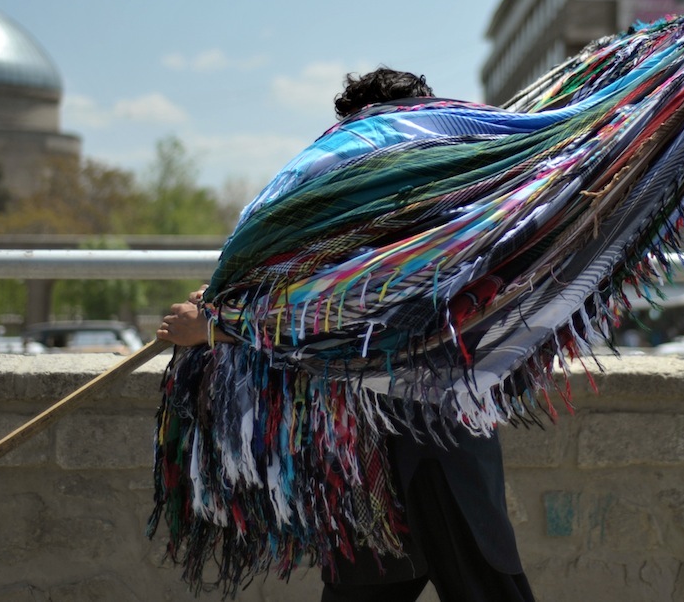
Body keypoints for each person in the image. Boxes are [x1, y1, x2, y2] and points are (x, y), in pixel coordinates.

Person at [158, 68, 536, 602]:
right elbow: (311, 289)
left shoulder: (448, 212)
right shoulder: (353, 208)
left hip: (435, 440)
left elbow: (349, 312)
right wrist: (226, 301)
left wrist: (219, 327)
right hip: (362, 452)